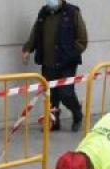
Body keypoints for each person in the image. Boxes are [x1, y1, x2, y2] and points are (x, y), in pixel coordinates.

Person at [22, 0, 88, 132]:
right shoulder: (43, 13)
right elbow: (36, 33)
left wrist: (70, 54)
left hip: (66, 63)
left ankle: (77, 114)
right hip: (48, 62)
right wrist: (27, 49)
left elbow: (82, 40)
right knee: (51, 96)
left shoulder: (72, 12)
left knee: (66, 93)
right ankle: (54, 121)